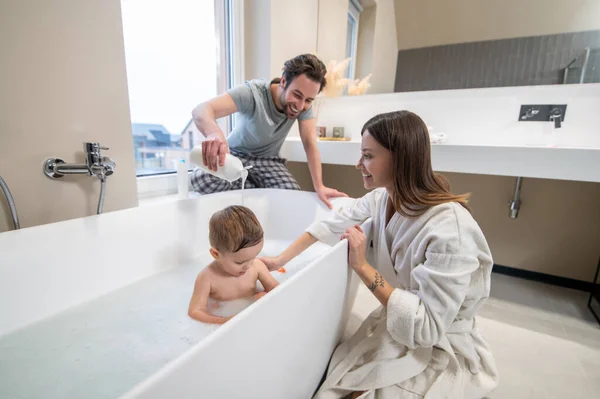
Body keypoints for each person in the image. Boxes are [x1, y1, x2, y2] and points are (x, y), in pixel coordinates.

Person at [261, 111, 499, 398]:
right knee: (335, 385)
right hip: (401, 319)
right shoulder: (383, 197)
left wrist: (362, 267)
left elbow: (426, 329)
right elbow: (330, 223)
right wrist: (278, 261)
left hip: (439, 340)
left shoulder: (449, 232)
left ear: (401, 159)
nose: (359, 164)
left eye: (368, 155)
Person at [190, 53, 347, 209]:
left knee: (292, 199)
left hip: (269, 161)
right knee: (202, 180)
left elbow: (309, 143)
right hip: (236, 155)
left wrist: (319, 186)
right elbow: (201, 109)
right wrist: (214, 134)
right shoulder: (252, 93)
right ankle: (252, 185)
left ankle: (249, 185)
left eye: (308, 100)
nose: (300, 106)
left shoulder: (303, 105)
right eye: (297, 95)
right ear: (283, 82)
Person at [188, 205, 279, 324]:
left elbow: (276, 288)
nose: (248, 265)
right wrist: (224, 321)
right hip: (224, 316)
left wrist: (264, 300)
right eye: (240, 262)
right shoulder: (206, 278)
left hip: (254, 315)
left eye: (253, 257)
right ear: (216, 254)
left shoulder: (256, 266)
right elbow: (195, 311)